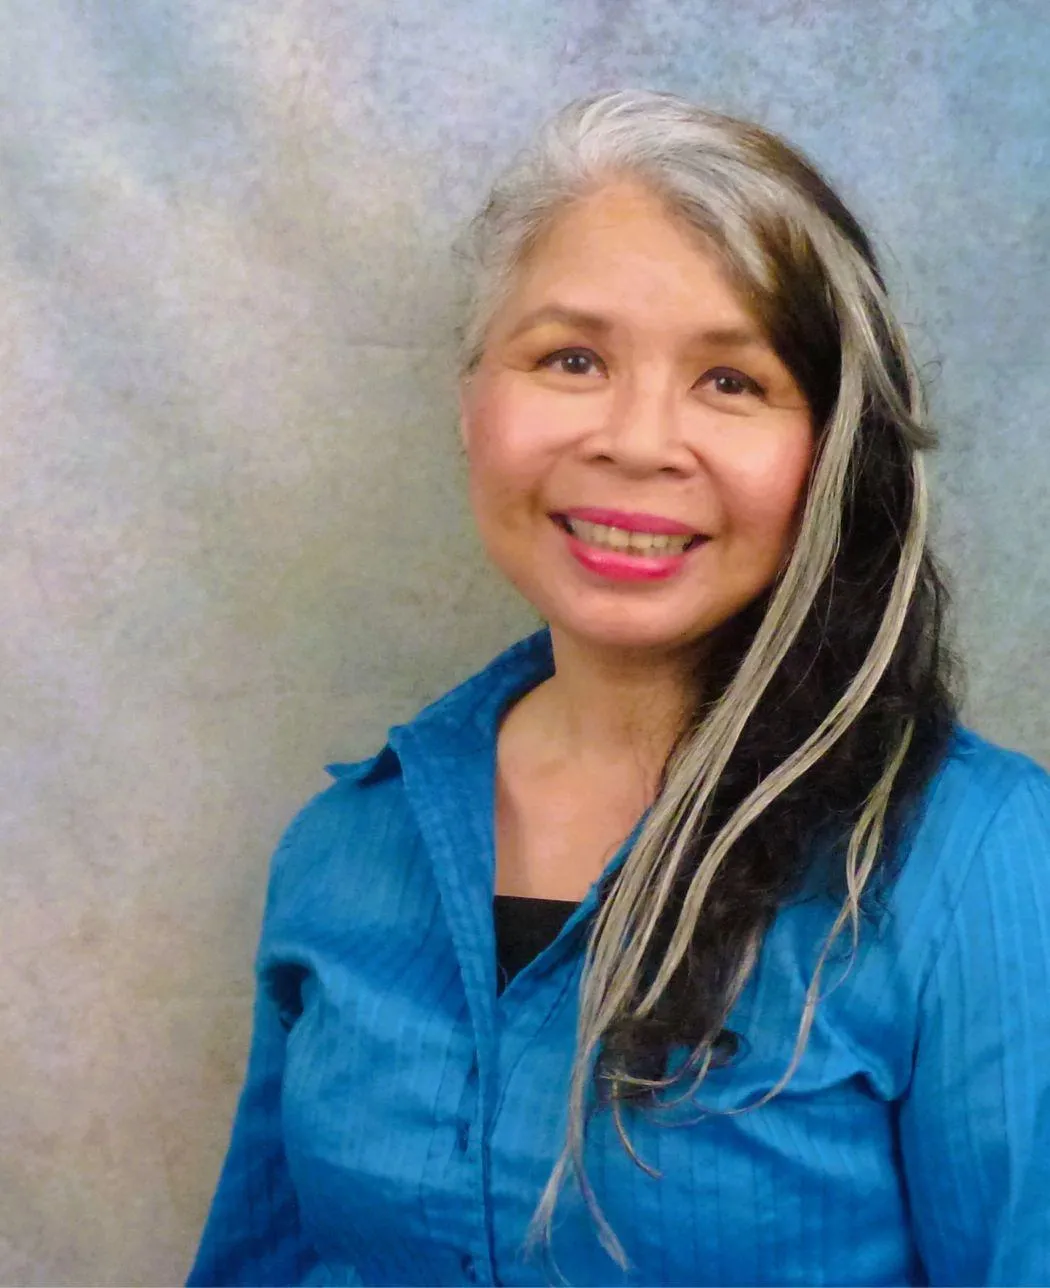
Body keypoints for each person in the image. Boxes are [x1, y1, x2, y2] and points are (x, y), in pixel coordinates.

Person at [187, 90, 1050, 1288]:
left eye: (732, 380)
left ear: (832, 452)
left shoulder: (978, 861)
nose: (639, 440)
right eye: (572, 358)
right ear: (472, 398)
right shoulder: (344, 849)